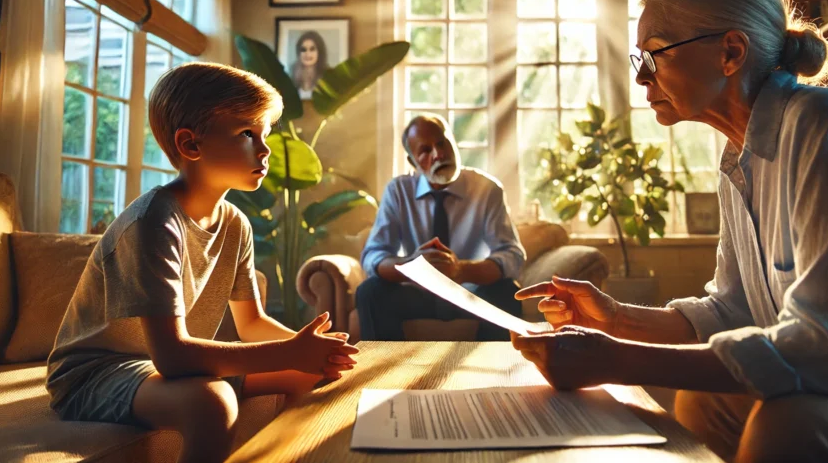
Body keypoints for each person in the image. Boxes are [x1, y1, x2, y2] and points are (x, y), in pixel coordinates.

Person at [511, 0, 828, 463]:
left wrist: (616, 361)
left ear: (730, 52)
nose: (641, 78)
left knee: (788, 427)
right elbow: (732, 311)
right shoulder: (739, 158)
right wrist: (615, 319)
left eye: (654, 55)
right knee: (703, 401)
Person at [46, 62, 359, 463]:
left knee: (315, 374)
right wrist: (289, 352)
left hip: (158, 368)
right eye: (247, 134)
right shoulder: (154, 221)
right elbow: (173, 357)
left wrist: (313, 351)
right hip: (96, 374)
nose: (264, 149)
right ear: (191, 144)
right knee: (212, 402)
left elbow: (251, 323)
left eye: (264, 134)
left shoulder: (236, 223)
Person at [356, 113, 526, 341]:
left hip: (470, 293)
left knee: (507, 292)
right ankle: (386, 364)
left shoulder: (487, 189)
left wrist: (461, 270)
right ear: (413, 163)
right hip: (418, 294)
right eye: (425, 150)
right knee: (370, 292)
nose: (439, 154)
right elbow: (373, 255)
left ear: (453, 143)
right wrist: (412, 266)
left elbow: (512, 255)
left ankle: (495, 364)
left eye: (442, 143)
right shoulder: (398, 191)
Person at [290, 31, 328, 95]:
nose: (307, 54)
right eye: (303, 50)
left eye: (312, 49)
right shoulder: (292, 76)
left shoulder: (328, 77)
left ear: (319, 52)